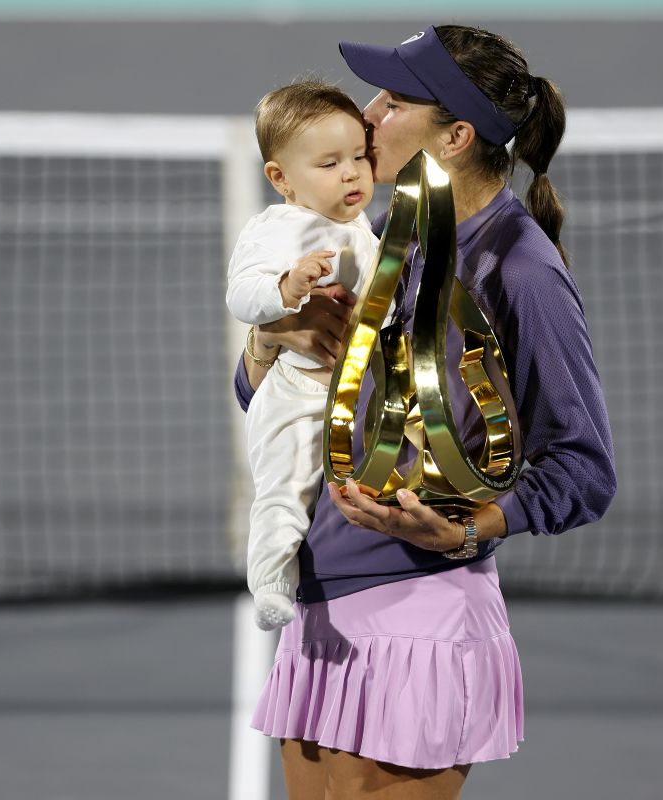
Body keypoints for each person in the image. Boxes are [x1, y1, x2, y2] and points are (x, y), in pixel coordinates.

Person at [234, 25, 617, 799]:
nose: (367, 115)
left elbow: (583, 469)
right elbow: (272, 400)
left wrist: (468, 529)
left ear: (455, 136)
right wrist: (269, 344)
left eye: (393, 101)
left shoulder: (521, 270)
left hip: (417, 612)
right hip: (324, 593)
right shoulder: (386, 235)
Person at [226, 79, 382, 631]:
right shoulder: (276, 229)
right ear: (281, 179)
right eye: (330, 163)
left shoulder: (365, 230)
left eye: (359, 156)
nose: (351, 173)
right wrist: (287, 290)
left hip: (354, 397)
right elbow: (241, 294)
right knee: (285, 486)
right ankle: (271, 581)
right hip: (295, 392)